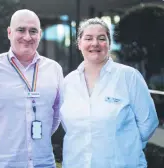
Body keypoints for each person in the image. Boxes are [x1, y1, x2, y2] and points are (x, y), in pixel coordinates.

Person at [0, 9, 63, 168]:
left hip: (43, 163)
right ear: (9, 32)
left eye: (33, 31)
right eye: (21, 30)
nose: (27, 36)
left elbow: (56, 114)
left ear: (40, 34)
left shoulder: (54, 69)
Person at [60, 18, 159, 168]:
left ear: (109, 44)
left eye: (101, 38)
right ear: (79, 44)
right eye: (88, 38)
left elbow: (148, 123)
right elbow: (69, 127)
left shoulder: (129, 76)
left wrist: (126, 147)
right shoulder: (68, 82)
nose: (95, 43)